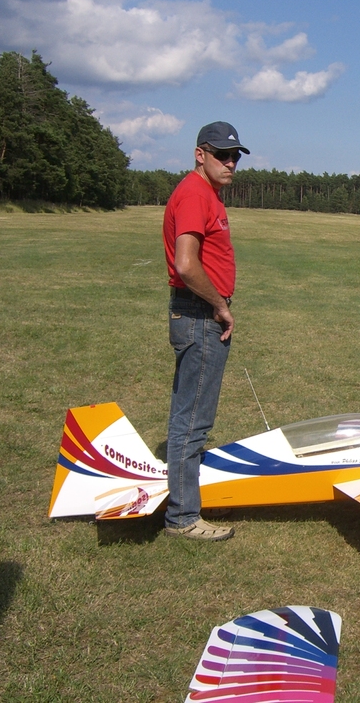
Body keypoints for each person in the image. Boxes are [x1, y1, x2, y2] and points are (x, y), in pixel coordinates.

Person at [161, 121, 249, 541]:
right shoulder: (196, 194)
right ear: (200, 154)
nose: (230, 163)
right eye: (222, 155)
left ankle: (186, 501)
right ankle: (182, 517)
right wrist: (219, 305)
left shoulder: (205, 193)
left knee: (191, 414)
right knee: (193, 419)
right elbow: (186, 263)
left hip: (197, 312)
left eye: (235, 157)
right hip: (199, 315)